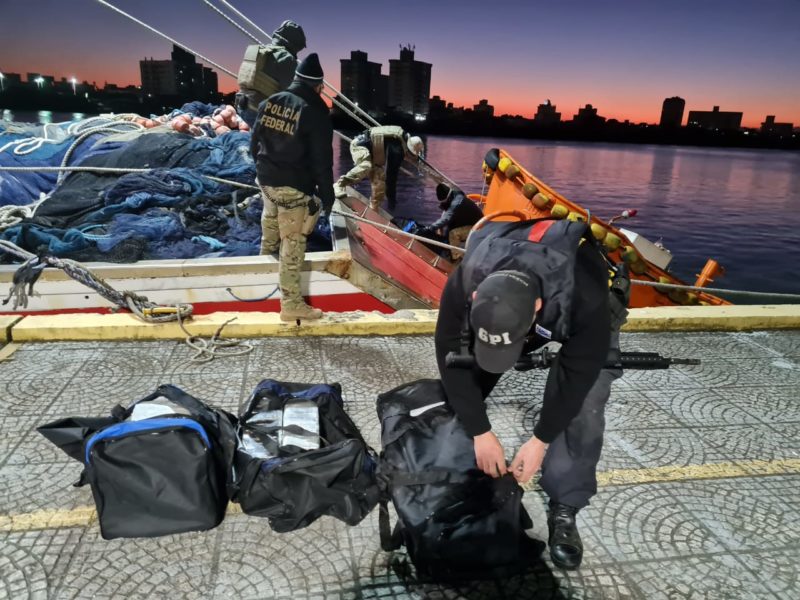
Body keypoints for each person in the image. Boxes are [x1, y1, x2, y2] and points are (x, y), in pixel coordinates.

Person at [433, 215, 629, 570]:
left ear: (538, 309)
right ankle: (465, 467)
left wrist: (541, 439)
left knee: (587, 401)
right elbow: (449, 353)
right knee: (465, 379)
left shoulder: (584, 294)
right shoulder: (466, 278)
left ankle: (566, 502)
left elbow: (576, 375)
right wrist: (479, 430)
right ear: (475, 297)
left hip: (578, 305)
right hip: (510, 294)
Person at [250, 52, 335, 322]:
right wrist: (327, 196)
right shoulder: (316, 112)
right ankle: (291, 304)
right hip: (292, 186)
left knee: (270, 221)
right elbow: (322, 161)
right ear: (318, 86)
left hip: (265, 179)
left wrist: (263, 171)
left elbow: (254, 143)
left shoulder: (269, 102)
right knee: (293, 242)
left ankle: (262, 265)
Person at [333, 126, 424, 212]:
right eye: (411, 155)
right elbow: (391, 178)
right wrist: (392, 201)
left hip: (373, 155)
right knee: (366, 166)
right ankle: (339, 185)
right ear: (408, 150)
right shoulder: (397, 150)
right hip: (359, 147)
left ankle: (374, 207)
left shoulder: (401, 139)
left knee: (380, 183)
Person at [236, 20, 307, 127]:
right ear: (296, 44)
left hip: (241, 107)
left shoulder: (261, 51)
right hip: (259, 114)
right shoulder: (287, 58)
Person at [420, 183, 484, 260]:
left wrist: (430, 228)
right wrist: (439, 227)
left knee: (453, 234)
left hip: (479, 227)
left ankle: (456, 259)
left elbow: (446, 218)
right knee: (446, 230)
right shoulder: (454, 195)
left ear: (447, 197)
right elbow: (446, 215)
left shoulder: (456, 203)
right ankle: (450, 252)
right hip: (469, 223)